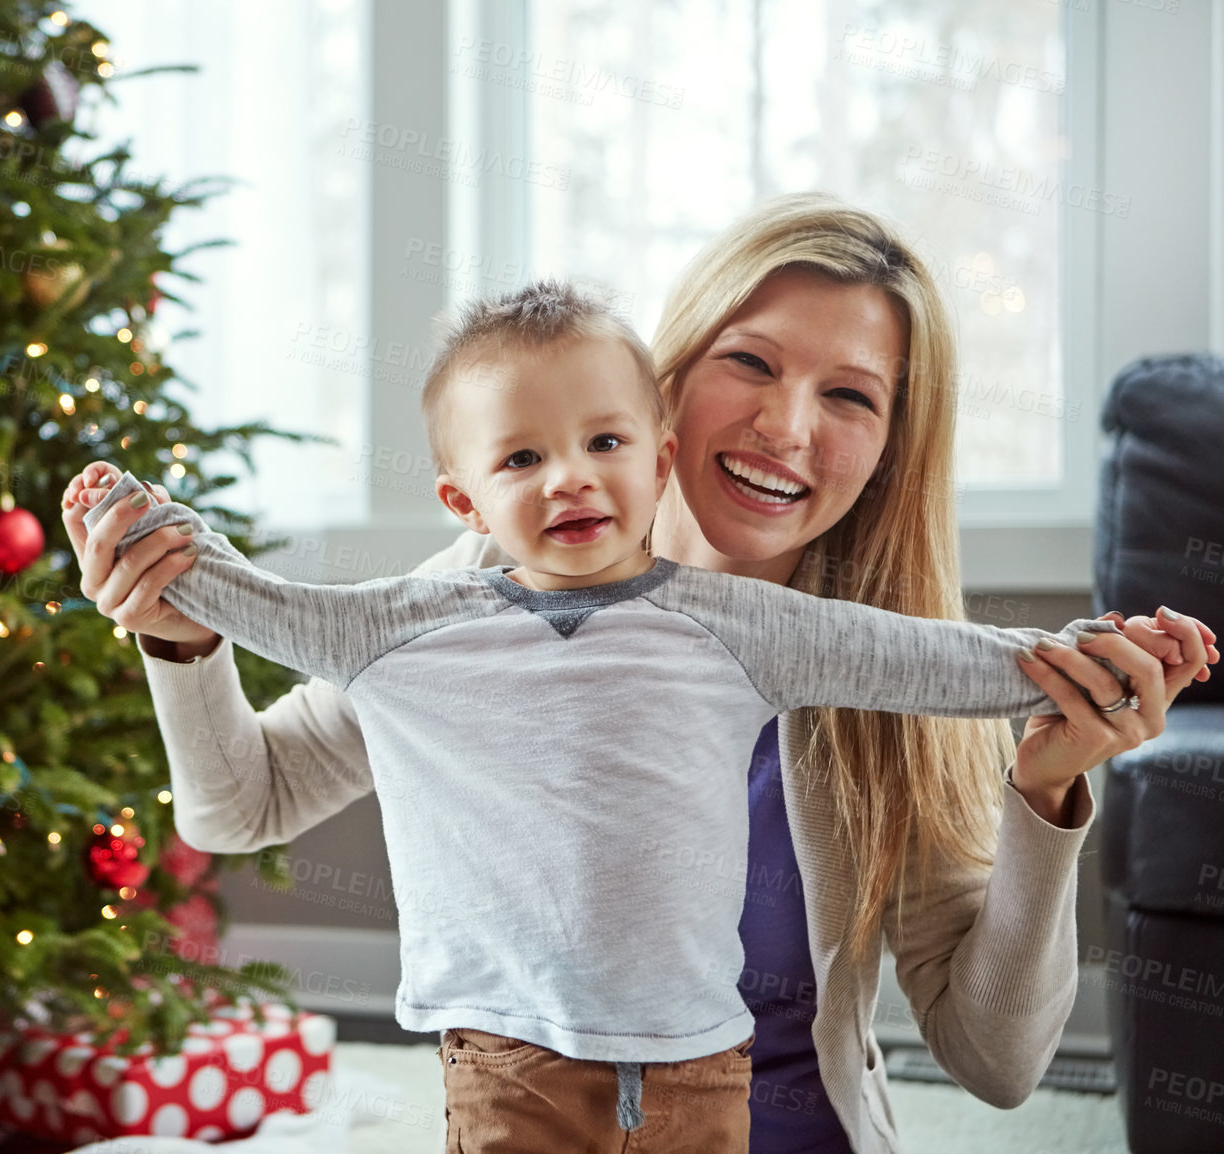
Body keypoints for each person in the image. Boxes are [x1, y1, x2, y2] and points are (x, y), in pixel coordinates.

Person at [62, 195, 1217, 1154]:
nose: (786, 425)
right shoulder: (487, 596)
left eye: (849, 394)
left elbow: (1001, 1066)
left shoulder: (889, 673)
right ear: (667, 386)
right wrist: (182, 630)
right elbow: (239, 802)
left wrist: (1046, 792)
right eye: (749, 363)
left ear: (890, 441)